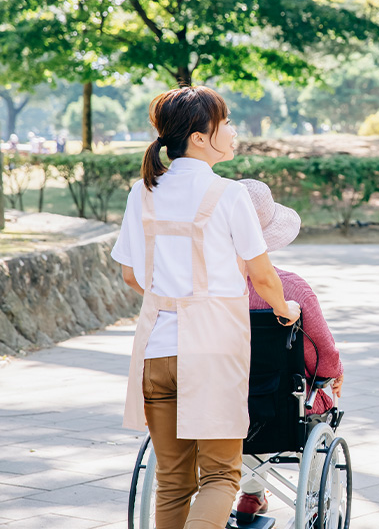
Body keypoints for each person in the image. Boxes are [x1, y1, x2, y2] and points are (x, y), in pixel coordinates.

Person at [111, 86, 301, 529]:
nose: (233, 131)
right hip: (214, 350)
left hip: (157, 350)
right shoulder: (229, 195)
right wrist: (286, 308)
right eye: (227, 122)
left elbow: (130, 276)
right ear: (200, 137)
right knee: (220, 475)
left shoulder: (142, 193)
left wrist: (173, 296)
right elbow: (263, 275)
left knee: (174, 482)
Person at [233, 179, 344, 524]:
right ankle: (291, 499)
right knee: (283, 395)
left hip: (213, 397)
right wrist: (333, 375)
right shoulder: (292, 289)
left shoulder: (199, 287)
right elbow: (322, 356)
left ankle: (251, 494)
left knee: (243, 397)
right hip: (276, 407)